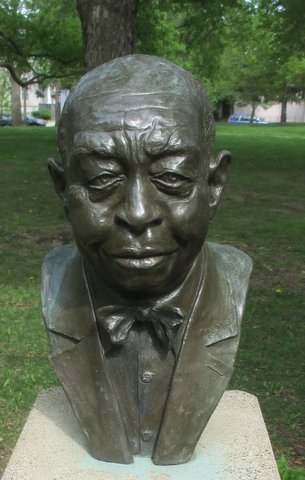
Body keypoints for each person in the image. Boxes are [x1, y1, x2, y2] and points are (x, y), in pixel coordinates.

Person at [42, 55, 252, 465]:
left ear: (214, 185)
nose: (138, 214)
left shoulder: (232, 283)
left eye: (171, 177)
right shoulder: (57, 287)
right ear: (64, 189)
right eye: (103, 179)